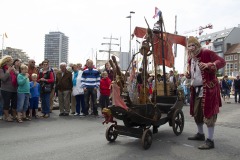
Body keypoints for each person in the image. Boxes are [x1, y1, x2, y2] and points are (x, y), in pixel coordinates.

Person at [185, 36, 226, 149]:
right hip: (196, 89)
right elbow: (193, 73)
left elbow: (222, 61)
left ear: (197, 46)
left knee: (209, 113)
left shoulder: (206, 52)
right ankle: (200, 134)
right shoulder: (190, 59)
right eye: (189, 46)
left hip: (208, 88)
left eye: (193, 45)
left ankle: (210, 140)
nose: (191, 48)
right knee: (197, 113)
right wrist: (189, 75)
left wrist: (209, 65)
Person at [0, 55, 18, 122]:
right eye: (11, 60)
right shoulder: (2, 69)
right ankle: (7, 116)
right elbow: (3, 79)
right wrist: (8, 71)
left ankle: (13, 115)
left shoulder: (13, 68)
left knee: (14, 104)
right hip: (5, 90)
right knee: (6, 104)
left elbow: (17, 78)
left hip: (14, 89)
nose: (12, 61)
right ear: (7, 61)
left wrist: (15, 72)